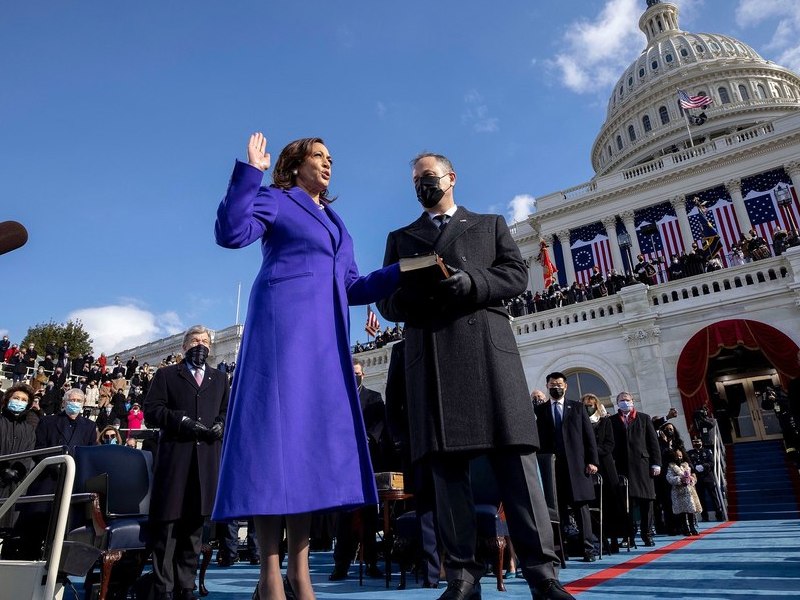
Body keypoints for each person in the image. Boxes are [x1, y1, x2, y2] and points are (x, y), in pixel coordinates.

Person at [211, 133, 400, 600]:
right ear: (295, 165)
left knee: (306, 452)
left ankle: (300, 571)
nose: (328, 163)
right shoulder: (277, 200)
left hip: (325, 342)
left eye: (331, 158)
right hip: (282, 332)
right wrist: (250, 172)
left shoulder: (339, 224)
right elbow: (231, 233)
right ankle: (270, 575)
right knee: (274, 447)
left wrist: (404, 271)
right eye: (318, 156)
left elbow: (353, 285)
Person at [376, 152, 573, 600]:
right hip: (433, 359)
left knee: (518, 467)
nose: (422, 185)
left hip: (488, 354)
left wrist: (472, 283)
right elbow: (387, 304)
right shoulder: (401, 237)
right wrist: (419, 295)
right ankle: (462, 576)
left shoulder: (488, 224)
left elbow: (517, 275)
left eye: (427, 177)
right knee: (447, 476)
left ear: (450, 178)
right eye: (415, 181)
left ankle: (542, 573)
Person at [143, 325, 229, 600]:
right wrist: (182, 421)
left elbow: (227, 411)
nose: (200, 344)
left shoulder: (220, 378)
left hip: (205, 462)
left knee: (194, 529)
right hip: (175, 460)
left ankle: (186, 586)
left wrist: (221, 425)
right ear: (184, 346)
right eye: (195, 340)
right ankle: (163, 588)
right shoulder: (167, 375)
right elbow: (152, 411)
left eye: (205, 340)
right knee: (167, 527)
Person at [330, 359, 387, 580]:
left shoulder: (374, 397)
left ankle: (371, 561)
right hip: (344, 466)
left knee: (370, 517)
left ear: (363, 374)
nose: (355, 376)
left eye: (358, 373)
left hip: (367, 463)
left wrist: (364, 440)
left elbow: (378, 427)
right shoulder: (339, 398)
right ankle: (341, 565)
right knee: (343, 519)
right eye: (351, 372)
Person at [534, 372, 599, 562]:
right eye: (553, 384)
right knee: (558, 510)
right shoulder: (541, 410)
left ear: (566, 386)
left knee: (581, 508)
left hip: (578, 466)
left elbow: (589, 437)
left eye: (559, 384)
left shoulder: (578, 408)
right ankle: (562, 550)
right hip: (553, 468)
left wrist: (592, 461)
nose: (556, 387)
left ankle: (588, 548)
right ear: (547, 386)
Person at [609, 392, 661, 547]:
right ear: (617, 403)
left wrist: (656, 463)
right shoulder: (611, 421)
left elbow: (653, 443)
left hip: (643, 466)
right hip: (622, 466)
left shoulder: (644, 418)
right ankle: (628, 536)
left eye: (627, 400)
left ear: (632, 401)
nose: (624, 402)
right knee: (626, 504)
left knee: (647, 501)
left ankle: (647, 534)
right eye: (621, 400)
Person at [581, 393, 623, 554]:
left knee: (610, 503)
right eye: (585, 405)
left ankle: (613, 539)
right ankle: (600, 539)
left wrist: (594, 453)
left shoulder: (606, 421)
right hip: (588, 467)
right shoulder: (581, 423)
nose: (588, 408)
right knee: (593, 504)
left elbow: (610, 444)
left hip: (605, 466)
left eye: (591, 405)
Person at [0, 384, 37, 532]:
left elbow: (28, 456)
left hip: (15, 485)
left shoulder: (29, 430)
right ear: (8, 399)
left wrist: (17, 471)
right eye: (16, 398)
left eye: (23, 399)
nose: (19, 401)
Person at [664, 449, 701, 536]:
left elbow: (693, 476)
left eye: (680, 456)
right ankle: (685, 528)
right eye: (677, 456)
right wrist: (680, 479)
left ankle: (692, 527)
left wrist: (691, 480)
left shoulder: (686, 465)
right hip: (678, 491)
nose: (679, 458)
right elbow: (669, 477)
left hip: (689, 491)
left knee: (691, 510)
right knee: (682, 511)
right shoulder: (671, 466)